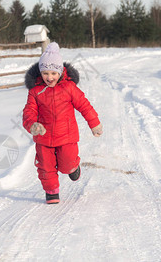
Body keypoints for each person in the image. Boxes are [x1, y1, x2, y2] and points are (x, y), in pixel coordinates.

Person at [22, 42, 103, 204]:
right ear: (40, 72)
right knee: (46, 166)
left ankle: (74, 168)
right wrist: (33, 125)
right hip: (44, 139)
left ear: (60, 71)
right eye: (45, 73)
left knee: (67, 164)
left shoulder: (69, 88)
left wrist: (94, 124)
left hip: (67, 136)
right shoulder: (35, 91)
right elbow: (29, 112)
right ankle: (52, 192)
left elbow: (84, 105)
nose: (49, 77)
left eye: (53, 73)